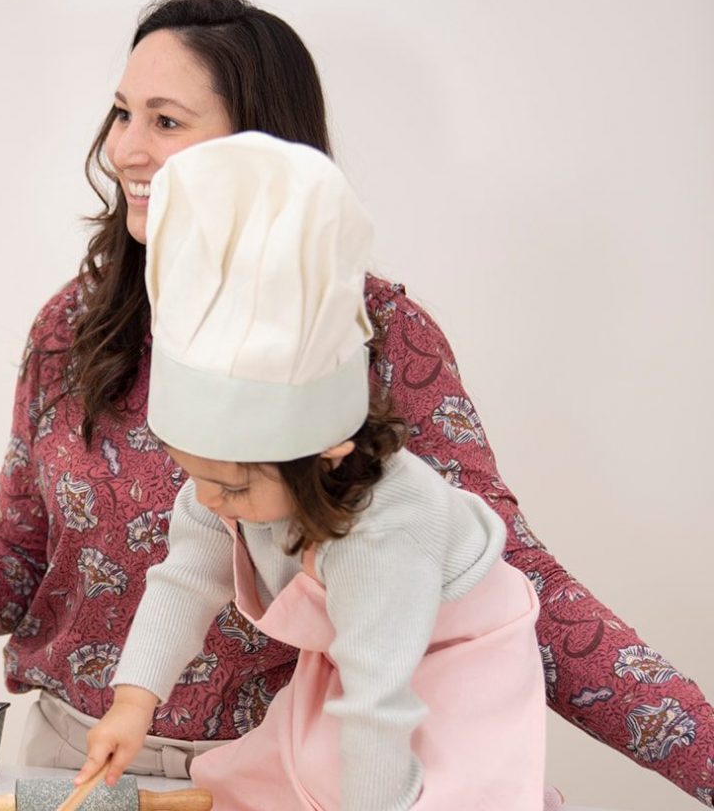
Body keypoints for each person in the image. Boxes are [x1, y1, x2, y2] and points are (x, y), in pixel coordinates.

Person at [0, 0, 713, 804]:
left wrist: (702, 750)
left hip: (285, 771)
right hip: (80, 760)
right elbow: (24, 558)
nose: (125, 148)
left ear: (261, 148)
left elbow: (501, 579)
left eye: (166, 121)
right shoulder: (71, 328)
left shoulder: (370, 332)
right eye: (122, 113)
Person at [72, 131, 545, 810]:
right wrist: (130, 705)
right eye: (194, 475)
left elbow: (379, 706)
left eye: (231, 486)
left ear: (323, 452)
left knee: (408, 790)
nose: (209, 502)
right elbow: (183, 580)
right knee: (264, 782)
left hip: (456, 654)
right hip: (356, 649)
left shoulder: (384, 529)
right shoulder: (229, 485)